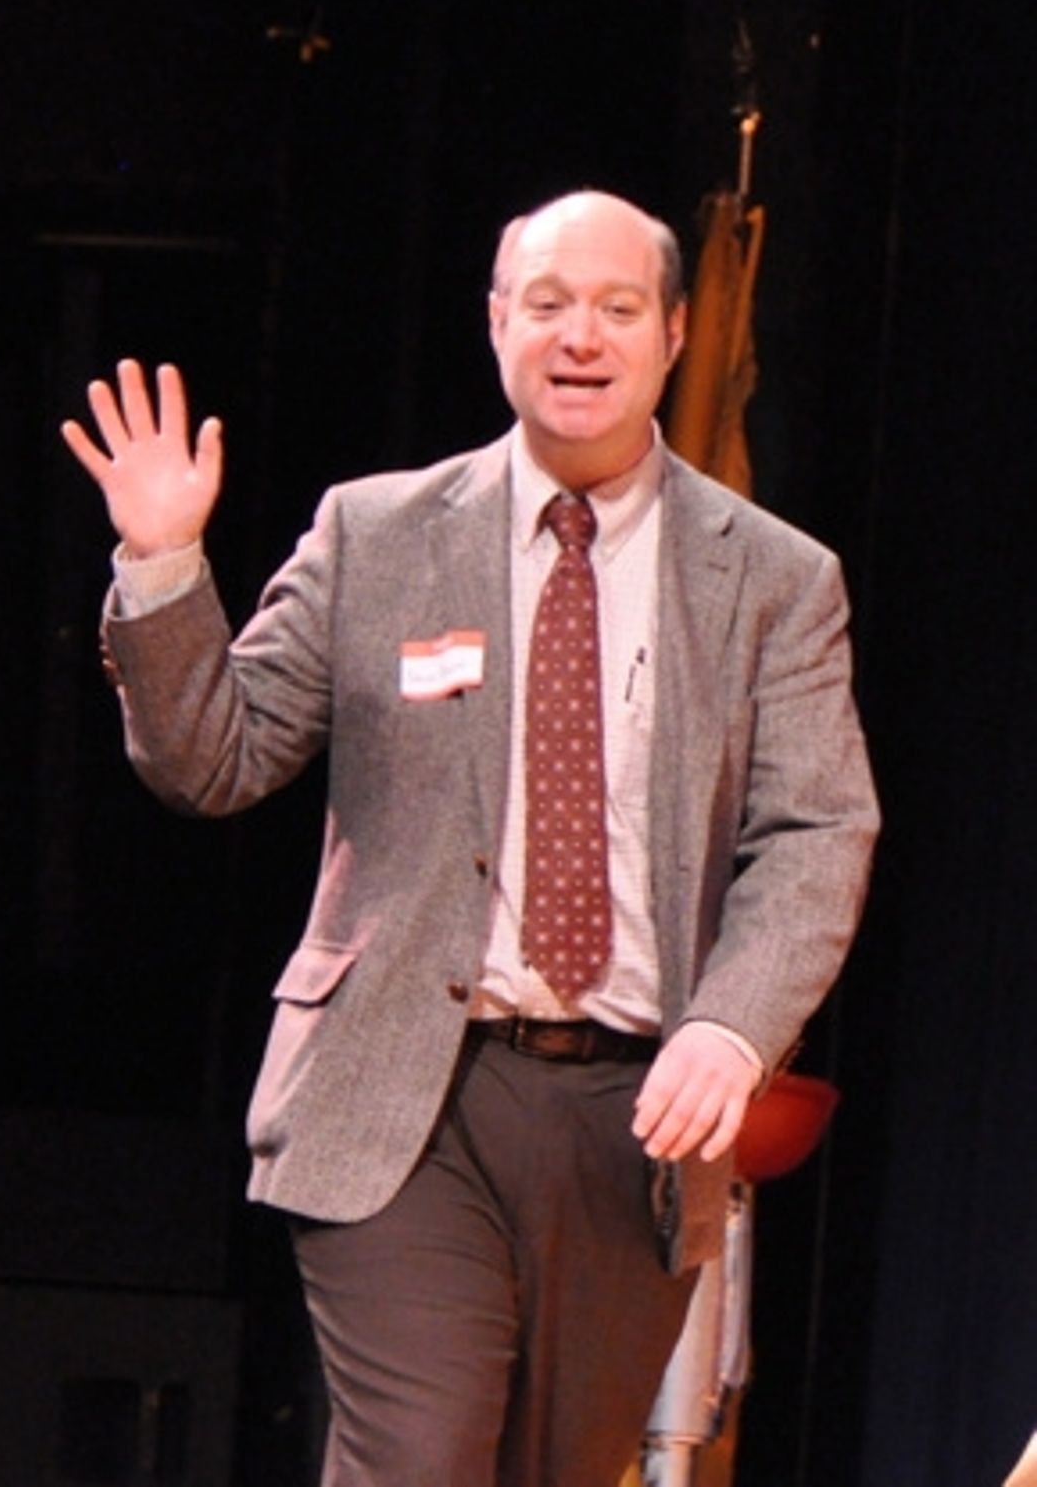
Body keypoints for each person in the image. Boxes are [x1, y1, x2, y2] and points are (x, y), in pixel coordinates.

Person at [61, 188, 879, 1487]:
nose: (579, 336)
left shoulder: (773, 577)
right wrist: (161, 566)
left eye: (617, 307)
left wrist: (734, 1021)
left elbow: (820, 824)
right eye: (546, 303)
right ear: (497, 323)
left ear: (674, 333)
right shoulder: (377, 533)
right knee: (422, 1460)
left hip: (636, 1117)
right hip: (405, 1095)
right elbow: (213, 758)